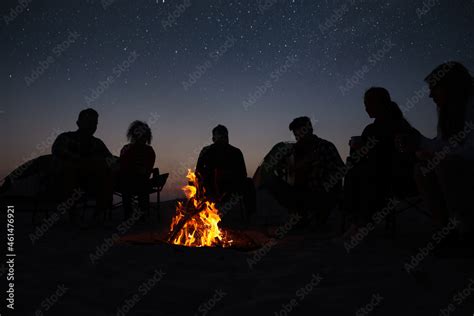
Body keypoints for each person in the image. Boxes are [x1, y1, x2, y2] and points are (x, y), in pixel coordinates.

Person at [399, 62, 474, 247]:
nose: (430, 94)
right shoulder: (448, 112)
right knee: (422, 169)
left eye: (435, 88)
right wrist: (419, 142)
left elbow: (469, 150)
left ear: (451, 86)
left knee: (446, 166)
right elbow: (442, 144)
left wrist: (439, 156)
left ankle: (467, 231)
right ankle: (445, 231)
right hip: (459, 164)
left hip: (465, 166)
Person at [343, 88, 417, 237]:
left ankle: (359, 221)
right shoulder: (375, 128)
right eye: (365, 104)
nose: (366, 108)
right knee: (355, 167)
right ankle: (359, 220)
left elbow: (400, 154)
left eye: (368, 103)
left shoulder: (397, 126)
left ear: (381, 104)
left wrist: (363, 150)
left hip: (396, 178)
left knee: (360, 171)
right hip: (388, 176)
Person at [52, 108, 114, 220]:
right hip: (67, 180)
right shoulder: (66, 137)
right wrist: (81, 159)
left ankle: (98, 214)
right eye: (88, 122)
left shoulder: (97, 143)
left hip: (93, 180)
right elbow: (58, 150)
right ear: (78, 123)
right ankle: (73, 214)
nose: (92, 126)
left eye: (95, 123)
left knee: (108, 173)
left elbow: (109, 158)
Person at [287, 116, 345, 228]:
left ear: (310, 131)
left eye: (301, 135)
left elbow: (340, 170)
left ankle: (317, 217)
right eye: (296, 136)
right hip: (303, 191)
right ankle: (302, 218)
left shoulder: (325, 146)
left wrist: (316, 171)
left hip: (324, 191)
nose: (298, 139)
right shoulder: (296, 151)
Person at [196, 125, 255, 221]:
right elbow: (198, 171)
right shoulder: (206, 151)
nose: (222, 139)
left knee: (248, 183)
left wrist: (228, 176)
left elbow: (243, 174)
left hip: (230, 189)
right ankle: (199, 218)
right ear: (213, 138)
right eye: (219, 136)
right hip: (209, 189)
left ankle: (251, 216)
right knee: (196, 181)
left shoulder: (236, 152)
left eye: (223, 136)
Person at [119, 121, 156, 219]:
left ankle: (141, 213)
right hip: (126, 180)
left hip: (141, 180)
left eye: (144, 136)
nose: (141, 138)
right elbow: (122, 165)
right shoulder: (126, 149)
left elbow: (147, 169)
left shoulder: (149, 151)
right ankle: (130, 215)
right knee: (127, 184)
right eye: (138, 135)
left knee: (141, 184)